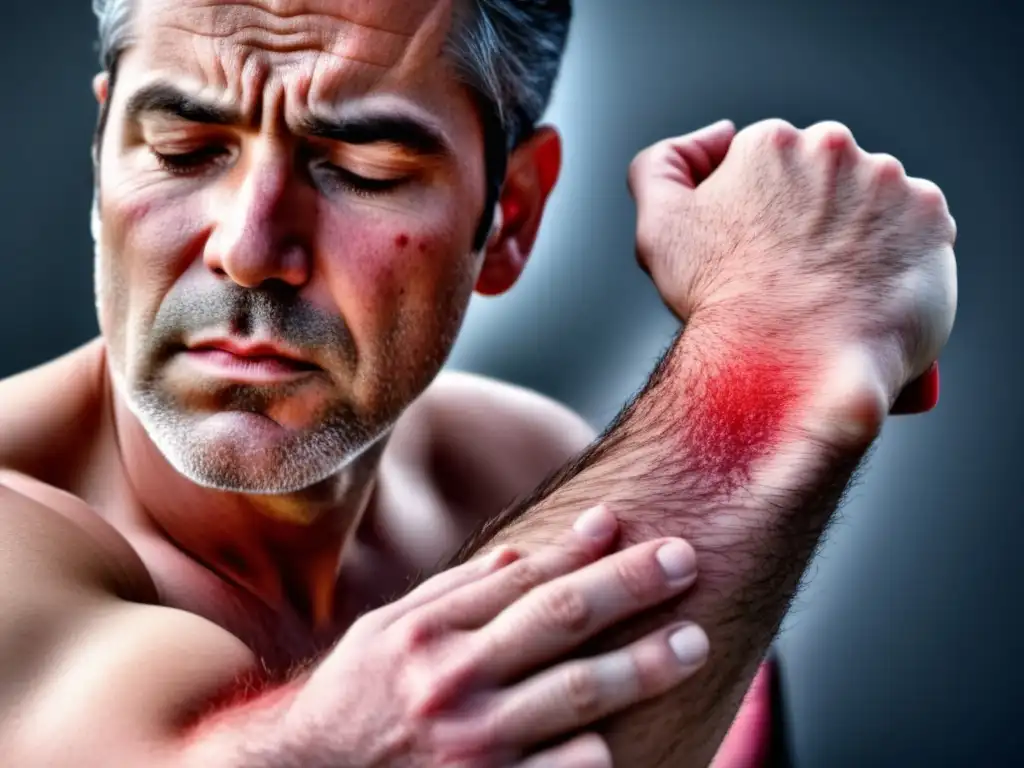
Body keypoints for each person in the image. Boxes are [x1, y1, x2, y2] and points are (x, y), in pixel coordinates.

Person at [0, 0, 956, 765]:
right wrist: (783, 339)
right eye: (182, 150)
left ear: (508, 219)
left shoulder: (532, 462)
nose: (249, 249)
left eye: (362, 169)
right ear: (100, 160)